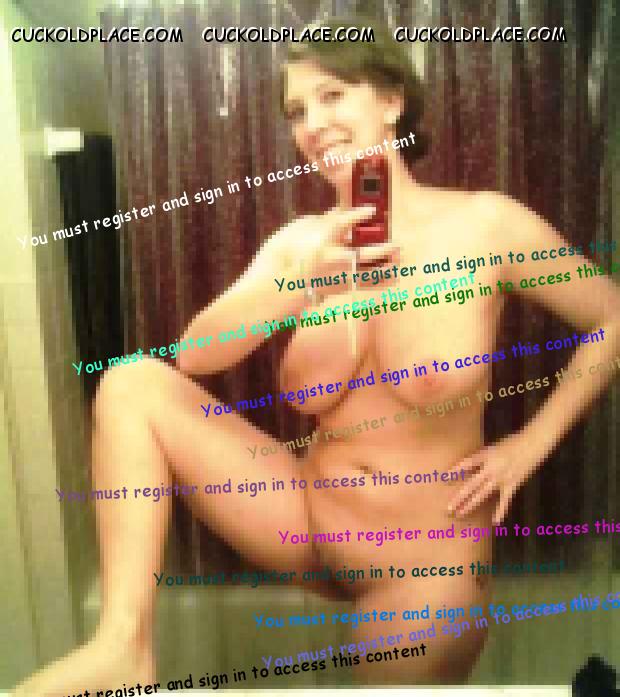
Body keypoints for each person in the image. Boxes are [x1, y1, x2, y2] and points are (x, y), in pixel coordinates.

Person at [14, 17, 620, 695]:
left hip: (423, 564)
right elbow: (193, 354)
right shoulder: (300, 244)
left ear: (391, 100)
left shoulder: (485, 224)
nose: (314, 124)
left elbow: (612, 315)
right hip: (303, 518)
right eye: (298, 110)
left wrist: (531, 443)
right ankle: (122, 644)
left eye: (333, 96)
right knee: (132, 384)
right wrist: (299, 283)